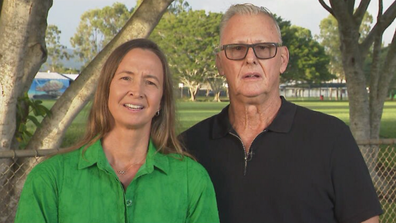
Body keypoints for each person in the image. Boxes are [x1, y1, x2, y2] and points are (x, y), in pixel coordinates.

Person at [179, 3, 382, 223]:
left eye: (264, 48)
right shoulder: (189, 148)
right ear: (220, 63)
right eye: (237, 49)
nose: (250, 59)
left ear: (283, 60)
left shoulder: (331, 138)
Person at [15, 39, 219, 223]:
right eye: (126, 78)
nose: (137, 91)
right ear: (106, 90)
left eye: (150, 82)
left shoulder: (191, 180)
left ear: (161, 102)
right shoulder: (50, 179)